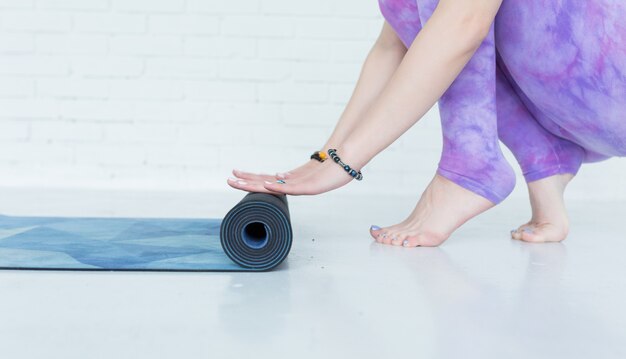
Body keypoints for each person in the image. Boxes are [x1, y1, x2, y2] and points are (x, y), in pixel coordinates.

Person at [227, 0, 626, 247]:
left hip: (610, 78)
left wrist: (346, 163)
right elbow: (395, 44)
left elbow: (463, 25)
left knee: (459, 13)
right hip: (591, 93)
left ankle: (470, 165)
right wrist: (328, 155)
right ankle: (547, 163)